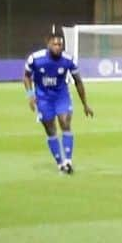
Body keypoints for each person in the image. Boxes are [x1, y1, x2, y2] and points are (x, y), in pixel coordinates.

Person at [24, 30, 94, 173]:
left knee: (65, 123)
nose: (57, 47)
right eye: (54, 44)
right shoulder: (35, 59)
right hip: (43, 98)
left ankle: (68, 161)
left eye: (60, 44)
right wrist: (30, 94)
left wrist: (85, 104)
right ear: (48, 44)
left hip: (61, 96)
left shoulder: (69, 60)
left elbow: (78, 82)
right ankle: (60, 163)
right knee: (51, 129)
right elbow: (26, 77)